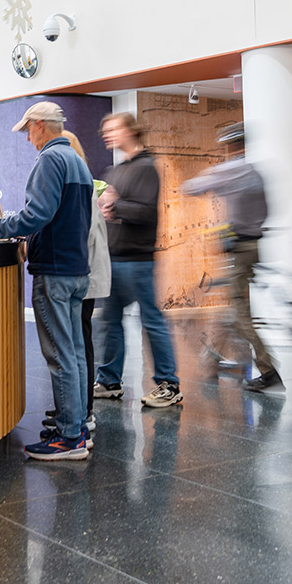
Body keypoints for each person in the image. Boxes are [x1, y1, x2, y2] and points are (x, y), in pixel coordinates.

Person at [0, 102, 95, 461]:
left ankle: (69, 438)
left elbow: (36, 215)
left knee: (59, 356)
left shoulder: (50, 160)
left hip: (53, 270)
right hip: (76, 269)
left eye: (28, 130)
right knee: (74, 353)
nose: (27, 138)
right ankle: (78, 427)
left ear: (40, 125)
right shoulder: (77, 162)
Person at [184, 122, 281, 391]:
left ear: (230, 146)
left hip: (237, 250)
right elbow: (268, 210)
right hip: (253, 247)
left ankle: (269, 369)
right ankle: (213, 358)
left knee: (240, 313)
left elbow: (192, 187)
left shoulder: (230, 170)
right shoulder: (255, 173)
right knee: (232, 305)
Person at [95, 112, 181, 408]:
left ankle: (169, 384)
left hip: (137, 260)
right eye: (105, 130)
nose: (107, 134)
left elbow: (147, 213)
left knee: (152, 321)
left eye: (113, 129)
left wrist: (117, 205)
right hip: (113, 259)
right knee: (111, 323)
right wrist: (107, 208)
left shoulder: (147, 168)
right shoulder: (112, 171)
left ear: (131, 131)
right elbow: (110, 209)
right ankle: (109, 380)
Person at [39, 130, 110, 438]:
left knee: (76, 345)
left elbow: (85, 236)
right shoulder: (84, 185)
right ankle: (74, 411)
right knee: (76, 345)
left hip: (79, 274)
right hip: (83, 273)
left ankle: (83, 412)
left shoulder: (80, 189)